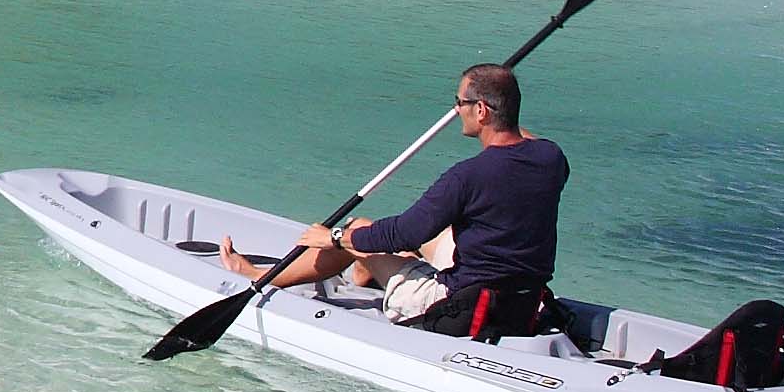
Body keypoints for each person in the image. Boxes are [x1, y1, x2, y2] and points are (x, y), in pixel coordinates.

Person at [212, 62, 568, 340]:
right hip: (523, 299)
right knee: (433, 230)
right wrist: (500, 96)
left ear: (482, 112)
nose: (455, 109)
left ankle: (263, 276)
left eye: (460, 103)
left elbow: (405, 233)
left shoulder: (467, 176)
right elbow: (523, 139)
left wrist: (333, 238)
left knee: (359, 229)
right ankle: (367, 274)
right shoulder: (552, 158)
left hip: (459, 307)